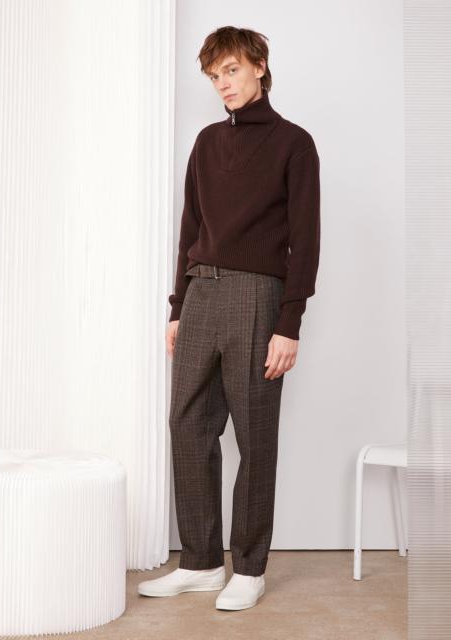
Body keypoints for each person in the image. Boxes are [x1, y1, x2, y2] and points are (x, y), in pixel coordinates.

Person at [138, 25, 320, 611]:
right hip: (201, 293)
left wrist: (289, 323)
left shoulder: (294, 144)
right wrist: (178, 306)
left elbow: (305, 241)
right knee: (188, 424)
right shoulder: (207, 142)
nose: (223, 84)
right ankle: (199, 562)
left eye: (233, 70)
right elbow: (189, 227)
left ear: (260, 66)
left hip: (258, 296)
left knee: (254, 432)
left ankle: (250, 567)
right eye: (215, 75)